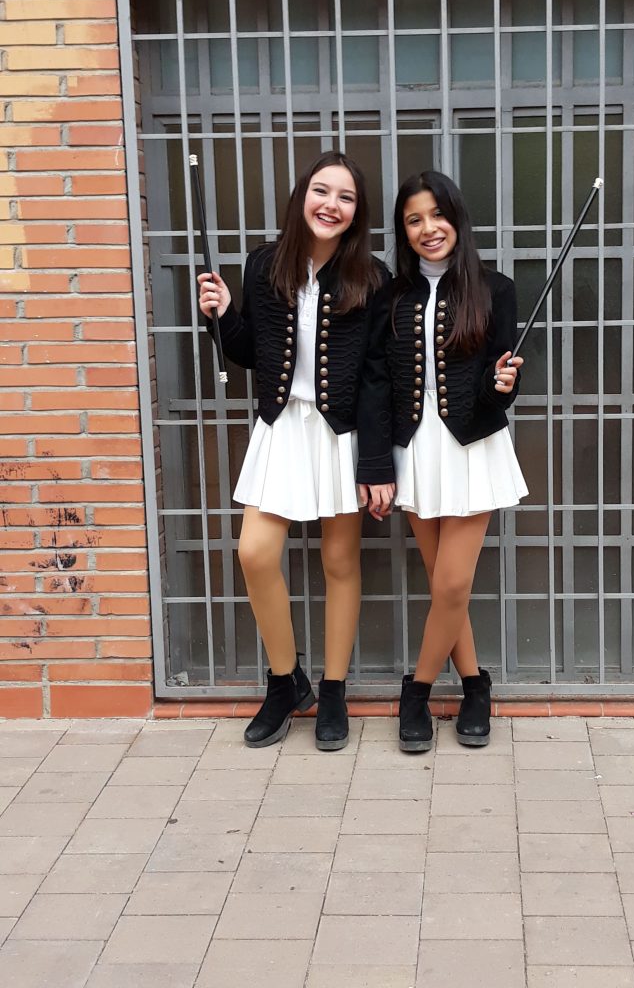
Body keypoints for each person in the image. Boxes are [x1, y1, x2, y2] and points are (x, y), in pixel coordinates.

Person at [197, 151, 394, 751]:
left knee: (340, 562)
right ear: (301, 196)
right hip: (281, 426)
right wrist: (221, 314)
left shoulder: (372, 276)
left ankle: (333, 690)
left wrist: (376, 463)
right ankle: (286, 682)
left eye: (346, 197)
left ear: (357, 212)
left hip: (341, 433)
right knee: (255, 553)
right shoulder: (265, 264)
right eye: (321, 191)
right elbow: (250, 352)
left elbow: (378, 376)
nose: (331, 205)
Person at [387, 170, 528, 751]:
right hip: (414, 449)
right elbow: (378, 381)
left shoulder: (496, 289)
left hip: (472, 446)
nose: (428, 228)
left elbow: (501, 385)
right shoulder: (392, 295)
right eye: (414, 219)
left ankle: (416, 692)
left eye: (437, 215)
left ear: (457, 219)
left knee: (451, 582)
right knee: (446, 587)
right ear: (403, 231)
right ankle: (474, 686)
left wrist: (502, 384)